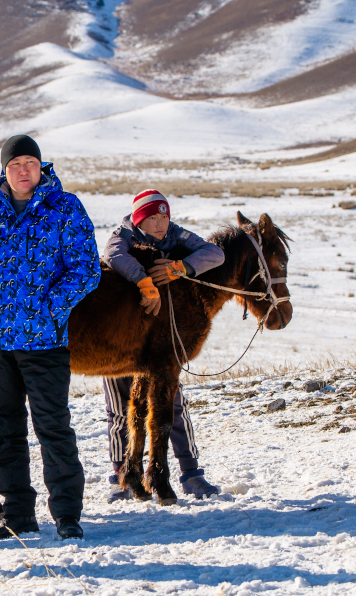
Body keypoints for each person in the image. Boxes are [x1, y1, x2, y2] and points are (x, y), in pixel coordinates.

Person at [0, 135, 100, 541]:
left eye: (29, 162)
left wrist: (53, 306)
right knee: (3, 429)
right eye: (14, 163)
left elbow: (86, 268)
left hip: (45, 342)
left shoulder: (64, 207)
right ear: (4, 169)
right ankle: (17, 513)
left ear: (41, 167)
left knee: (53, 426)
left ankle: (67, 513)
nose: (22, 170)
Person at [101, 189, 224, 501]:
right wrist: (143, 280)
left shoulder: (175, 236)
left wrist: (179, 268)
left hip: (158, 338)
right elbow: (113, 256)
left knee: (172, 405)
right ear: (139, 219)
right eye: (152, 218)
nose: (159, 223)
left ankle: (191, 472)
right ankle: (123, 476)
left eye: (164, 216)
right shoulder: (123, 234)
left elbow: (215, 254)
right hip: (117, 335)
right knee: (119, 409)